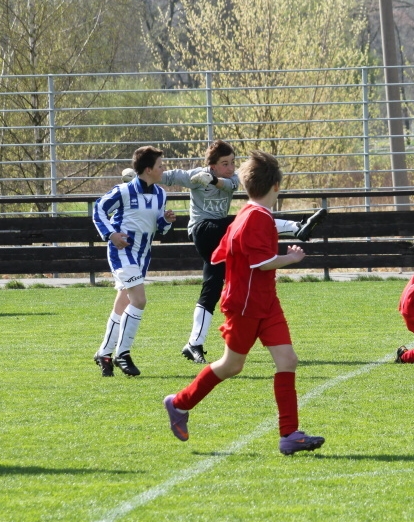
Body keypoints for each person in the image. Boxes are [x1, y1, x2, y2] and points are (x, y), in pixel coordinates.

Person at [163, 150, 325, 456]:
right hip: (247, 305)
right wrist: (290, 258)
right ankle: (179, 402)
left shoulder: (249, 215)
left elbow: (223, 252)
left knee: (287, 361)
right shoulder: (255, 218)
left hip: (266, 303)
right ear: (276, 186)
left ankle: (289, 435)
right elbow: (261, 262)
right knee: (231, 365)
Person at [140, 140, 326, 365]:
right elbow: (166, 177)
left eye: (232, 163)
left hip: (221, 239)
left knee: (212, 287)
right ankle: (297, 228)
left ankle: (194, 343)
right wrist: (138, 176)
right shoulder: (196, 175)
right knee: (246, 220)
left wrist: (214, 180)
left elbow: (230, 186)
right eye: (224, 163)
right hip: (203, 231)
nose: (230, 167)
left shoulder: (231, 178)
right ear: (212, 164)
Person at [92, 146, 177, 377]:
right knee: (139, 300)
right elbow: (98, 208)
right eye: (160, 165)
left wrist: (167, 220)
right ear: (148, 169)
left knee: (122, 303)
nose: (164, 168)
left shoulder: (160, 193)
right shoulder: (124, 191)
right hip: (123, 252)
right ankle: (123, 354)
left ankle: (104, 353)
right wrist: (111, 234)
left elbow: (159, 227)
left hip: (143, 254)